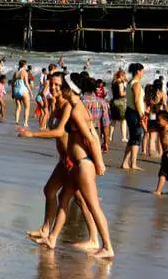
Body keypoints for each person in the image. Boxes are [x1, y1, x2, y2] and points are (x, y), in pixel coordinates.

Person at [18, 72, 99, 253]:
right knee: (50, 190)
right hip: (64, 160)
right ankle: (46, 229)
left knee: (81, 200)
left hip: (72, 160)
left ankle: (93, 238)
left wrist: (32, 134)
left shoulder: (69, 106)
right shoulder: (57, 104)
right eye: (51, 84)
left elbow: (59, 132)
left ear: (64, 87)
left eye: (57, 85)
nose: (53, 87)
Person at [36, 75, 115, 259]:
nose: (60, 88)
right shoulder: (76, 107)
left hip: (83, 164)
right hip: (77, 164)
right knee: (64, 198)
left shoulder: (77, 111)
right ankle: (52, 238)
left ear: (70, 90)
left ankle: (107, 247)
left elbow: (89, 138)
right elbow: (93, 133)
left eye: (63, 86)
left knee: (93, 206)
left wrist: (99, 163)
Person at [121, 62, 146, 171]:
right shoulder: (136, 84)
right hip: (135, 112)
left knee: (132, 138)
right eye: (142, 71)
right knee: (136, 138)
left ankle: (125, 162)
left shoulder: (130, 82)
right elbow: (136, 101)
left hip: (130, 111)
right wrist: (141, 115)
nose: (143, 73)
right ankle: (133, 163)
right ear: (138, 71)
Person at [108, 69, 128, 144]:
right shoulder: (120, 83)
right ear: (121, 75)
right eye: (124, 76)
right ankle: (124, 137)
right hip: (121, 102)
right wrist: (127, 91)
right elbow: (121, 93)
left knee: (113, 120)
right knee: (123, 120)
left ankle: (109, 136)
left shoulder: (113, 82)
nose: (125, 77)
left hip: (113, 101)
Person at [13, 59, 32, 127]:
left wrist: (13, 93)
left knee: (18, 107)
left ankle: (16, 121)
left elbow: (13, 83)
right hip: (23, 90)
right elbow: (26, 83)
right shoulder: (24, 72)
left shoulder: (16, 72)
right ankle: (25, 123)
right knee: (27, 107)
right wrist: (30, 92)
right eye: (26, 64)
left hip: (16, 90)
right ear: (24, 65)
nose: (26, 66)